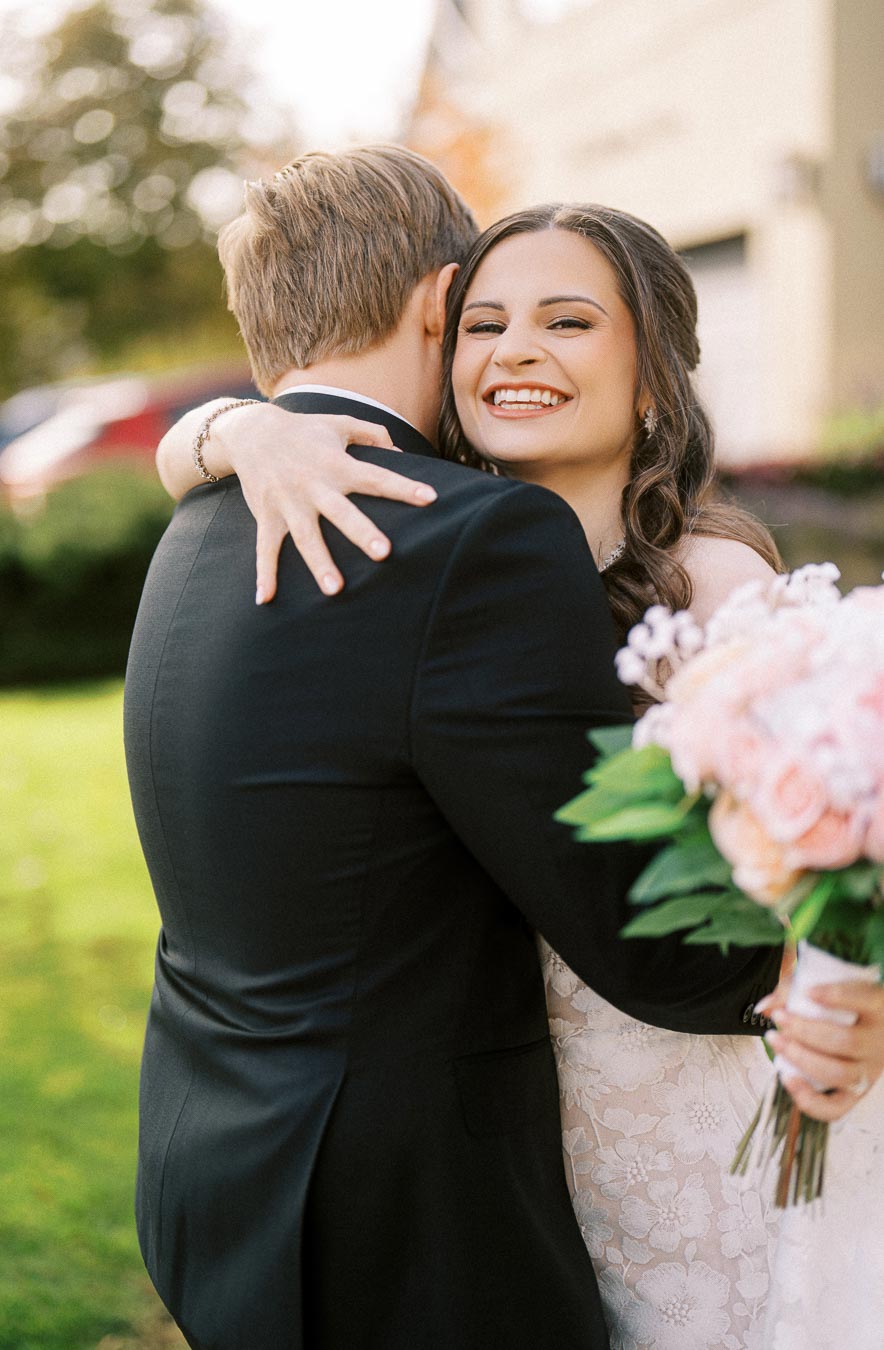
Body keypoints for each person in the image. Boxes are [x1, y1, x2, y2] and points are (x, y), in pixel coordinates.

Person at [158, 192, 884, 1349]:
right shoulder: (424, 547)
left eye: (569, 322)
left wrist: (857, 992)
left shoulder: (717, 588)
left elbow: (835, 848)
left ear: (653, 378)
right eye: (485, 325)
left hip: (678, 1124)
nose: (518, 353)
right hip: (503, 1154)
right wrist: (236, 430)